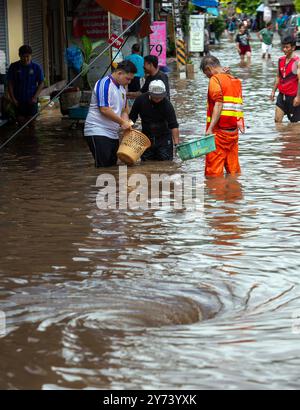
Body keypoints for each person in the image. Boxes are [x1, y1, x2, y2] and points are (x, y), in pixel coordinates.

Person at [84, 61, 137, 167]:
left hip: (113, 134)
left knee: (111, 169)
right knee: (103, 168)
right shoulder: (104, 83)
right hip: (98, 130)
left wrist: (126, 123)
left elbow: (124, 110)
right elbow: (104, 109)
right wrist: (122, 122)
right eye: (128, 79)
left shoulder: (122, 88)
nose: (129, 82)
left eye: (131, 79)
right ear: (119, 73)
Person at [200, 56, 244, 177]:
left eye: (206, 74)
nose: (207, 77)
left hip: (219, 134)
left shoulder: (215, 80)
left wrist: (210, 129)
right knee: (233, 172)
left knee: (213, 174)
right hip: (233, 133)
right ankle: (234, 192)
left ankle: (216, 194)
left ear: (209, 69)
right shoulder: (234, 79)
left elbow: (218, 103)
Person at [129, 80, 179, 161]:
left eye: (160, 97)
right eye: (155, 97)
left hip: (164, 139)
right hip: (146, 138)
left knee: (166, 164)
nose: (158, 99)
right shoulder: (140, 100)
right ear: (149, 93)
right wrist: (128, 132)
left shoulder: (167, 105)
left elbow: (174, 126)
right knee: (146, 164)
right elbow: (132, 118)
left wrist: (176, 144)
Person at [7, 45, 44, 127]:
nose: (26, 59)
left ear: (31, 56)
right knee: (21, 124)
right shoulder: (13, 67)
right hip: (18, 101)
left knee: (32, 124)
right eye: (23, 57)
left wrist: (35, 97)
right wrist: (13, 99)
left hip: (31, 100)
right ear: (19, 56)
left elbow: (41, 83)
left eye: (28, 56)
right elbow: (10, 83)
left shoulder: (36, 67)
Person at [270, 36, 300, 123]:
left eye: (287, 47)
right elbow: (278, 77)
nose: (284, 49)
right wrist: (273, 92)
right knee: (277, 121)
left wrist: (298, 97)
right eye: (283, 47)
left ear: (293, 48)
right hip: (282, 96)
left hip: (294, 97)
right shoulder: (280, 60)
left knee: (295, 125)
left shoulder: (297, 62)